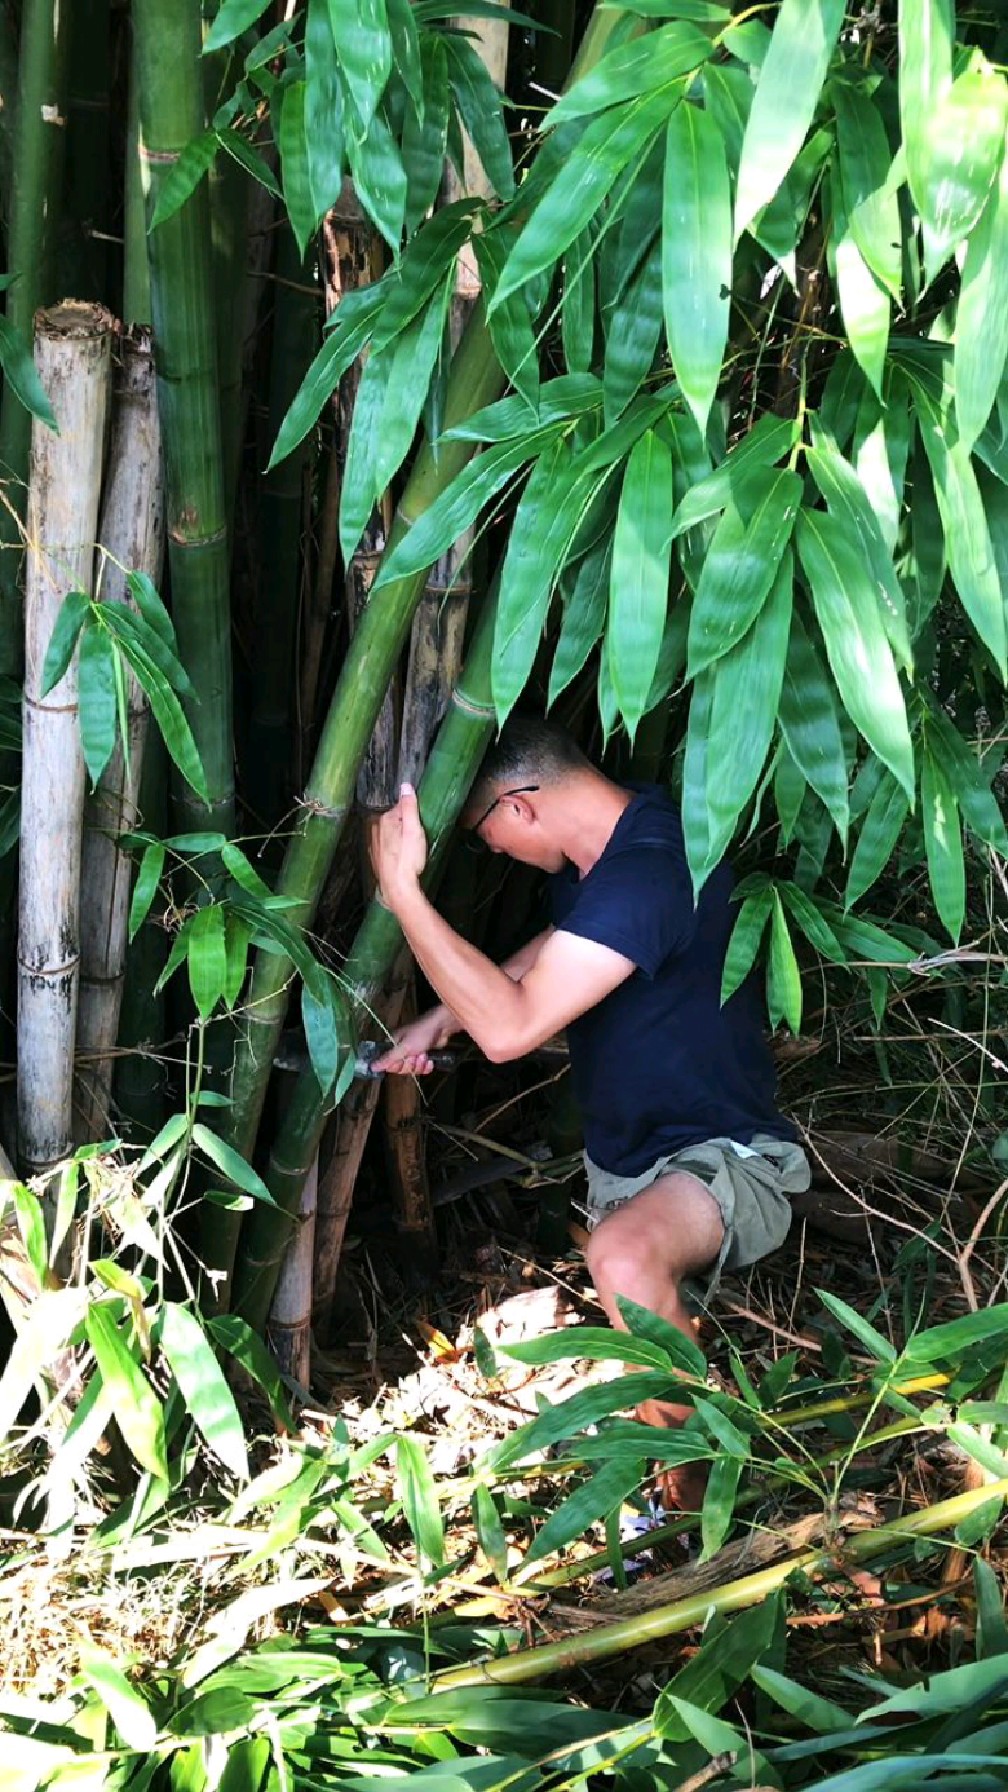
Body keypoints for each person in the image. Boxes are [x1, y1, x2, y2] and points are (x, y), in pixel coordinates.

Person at [370, 717, 809, 1511]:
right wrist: (442, 1017)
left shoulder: (651, 869)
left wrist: (403, 893)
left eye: (483, 833)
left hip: (725, 1155)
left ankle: (693, 1503)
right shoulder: (618, 838)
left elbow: (511, 1031)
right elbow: (561, 942)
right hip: (637, 1162)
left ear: (521, 805)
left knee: (622, 1259)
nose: (492, 850)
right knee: (630, 1287)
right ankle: (679, 1438)